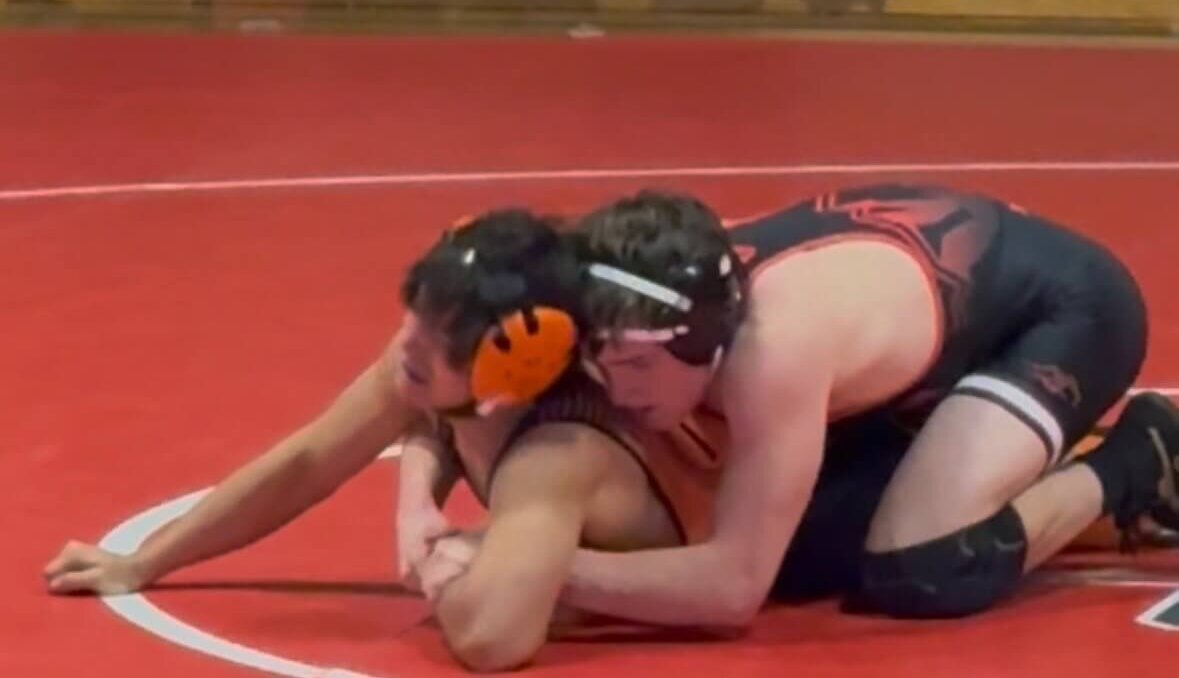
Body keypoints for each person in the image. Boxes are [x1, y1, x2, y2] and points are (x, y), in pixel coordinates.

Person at [424, 183, 1179, 627]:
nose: (614, 391)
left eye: (637, 366)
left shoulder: (768, 352)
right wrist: (414, 493)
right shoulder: (624, 297)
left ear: (705, 344)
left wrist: (528, 565)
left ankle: (1132, 460)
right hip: (923, 324)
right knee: (811, 552)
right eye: (598, 360)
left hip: (1060, 313)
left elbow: (730, 590)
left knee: (920, 566)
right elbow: (422, 375)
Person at [42, 210, 726, 672]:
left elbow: (492, 637)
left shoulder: (558, 456)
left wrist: (450, 561)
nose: (405, 349)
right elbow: (311, 459)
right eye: (413, 321)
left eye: (432, 342)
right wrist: (143, 561)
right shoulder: (444, 363)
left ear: (511, 364)